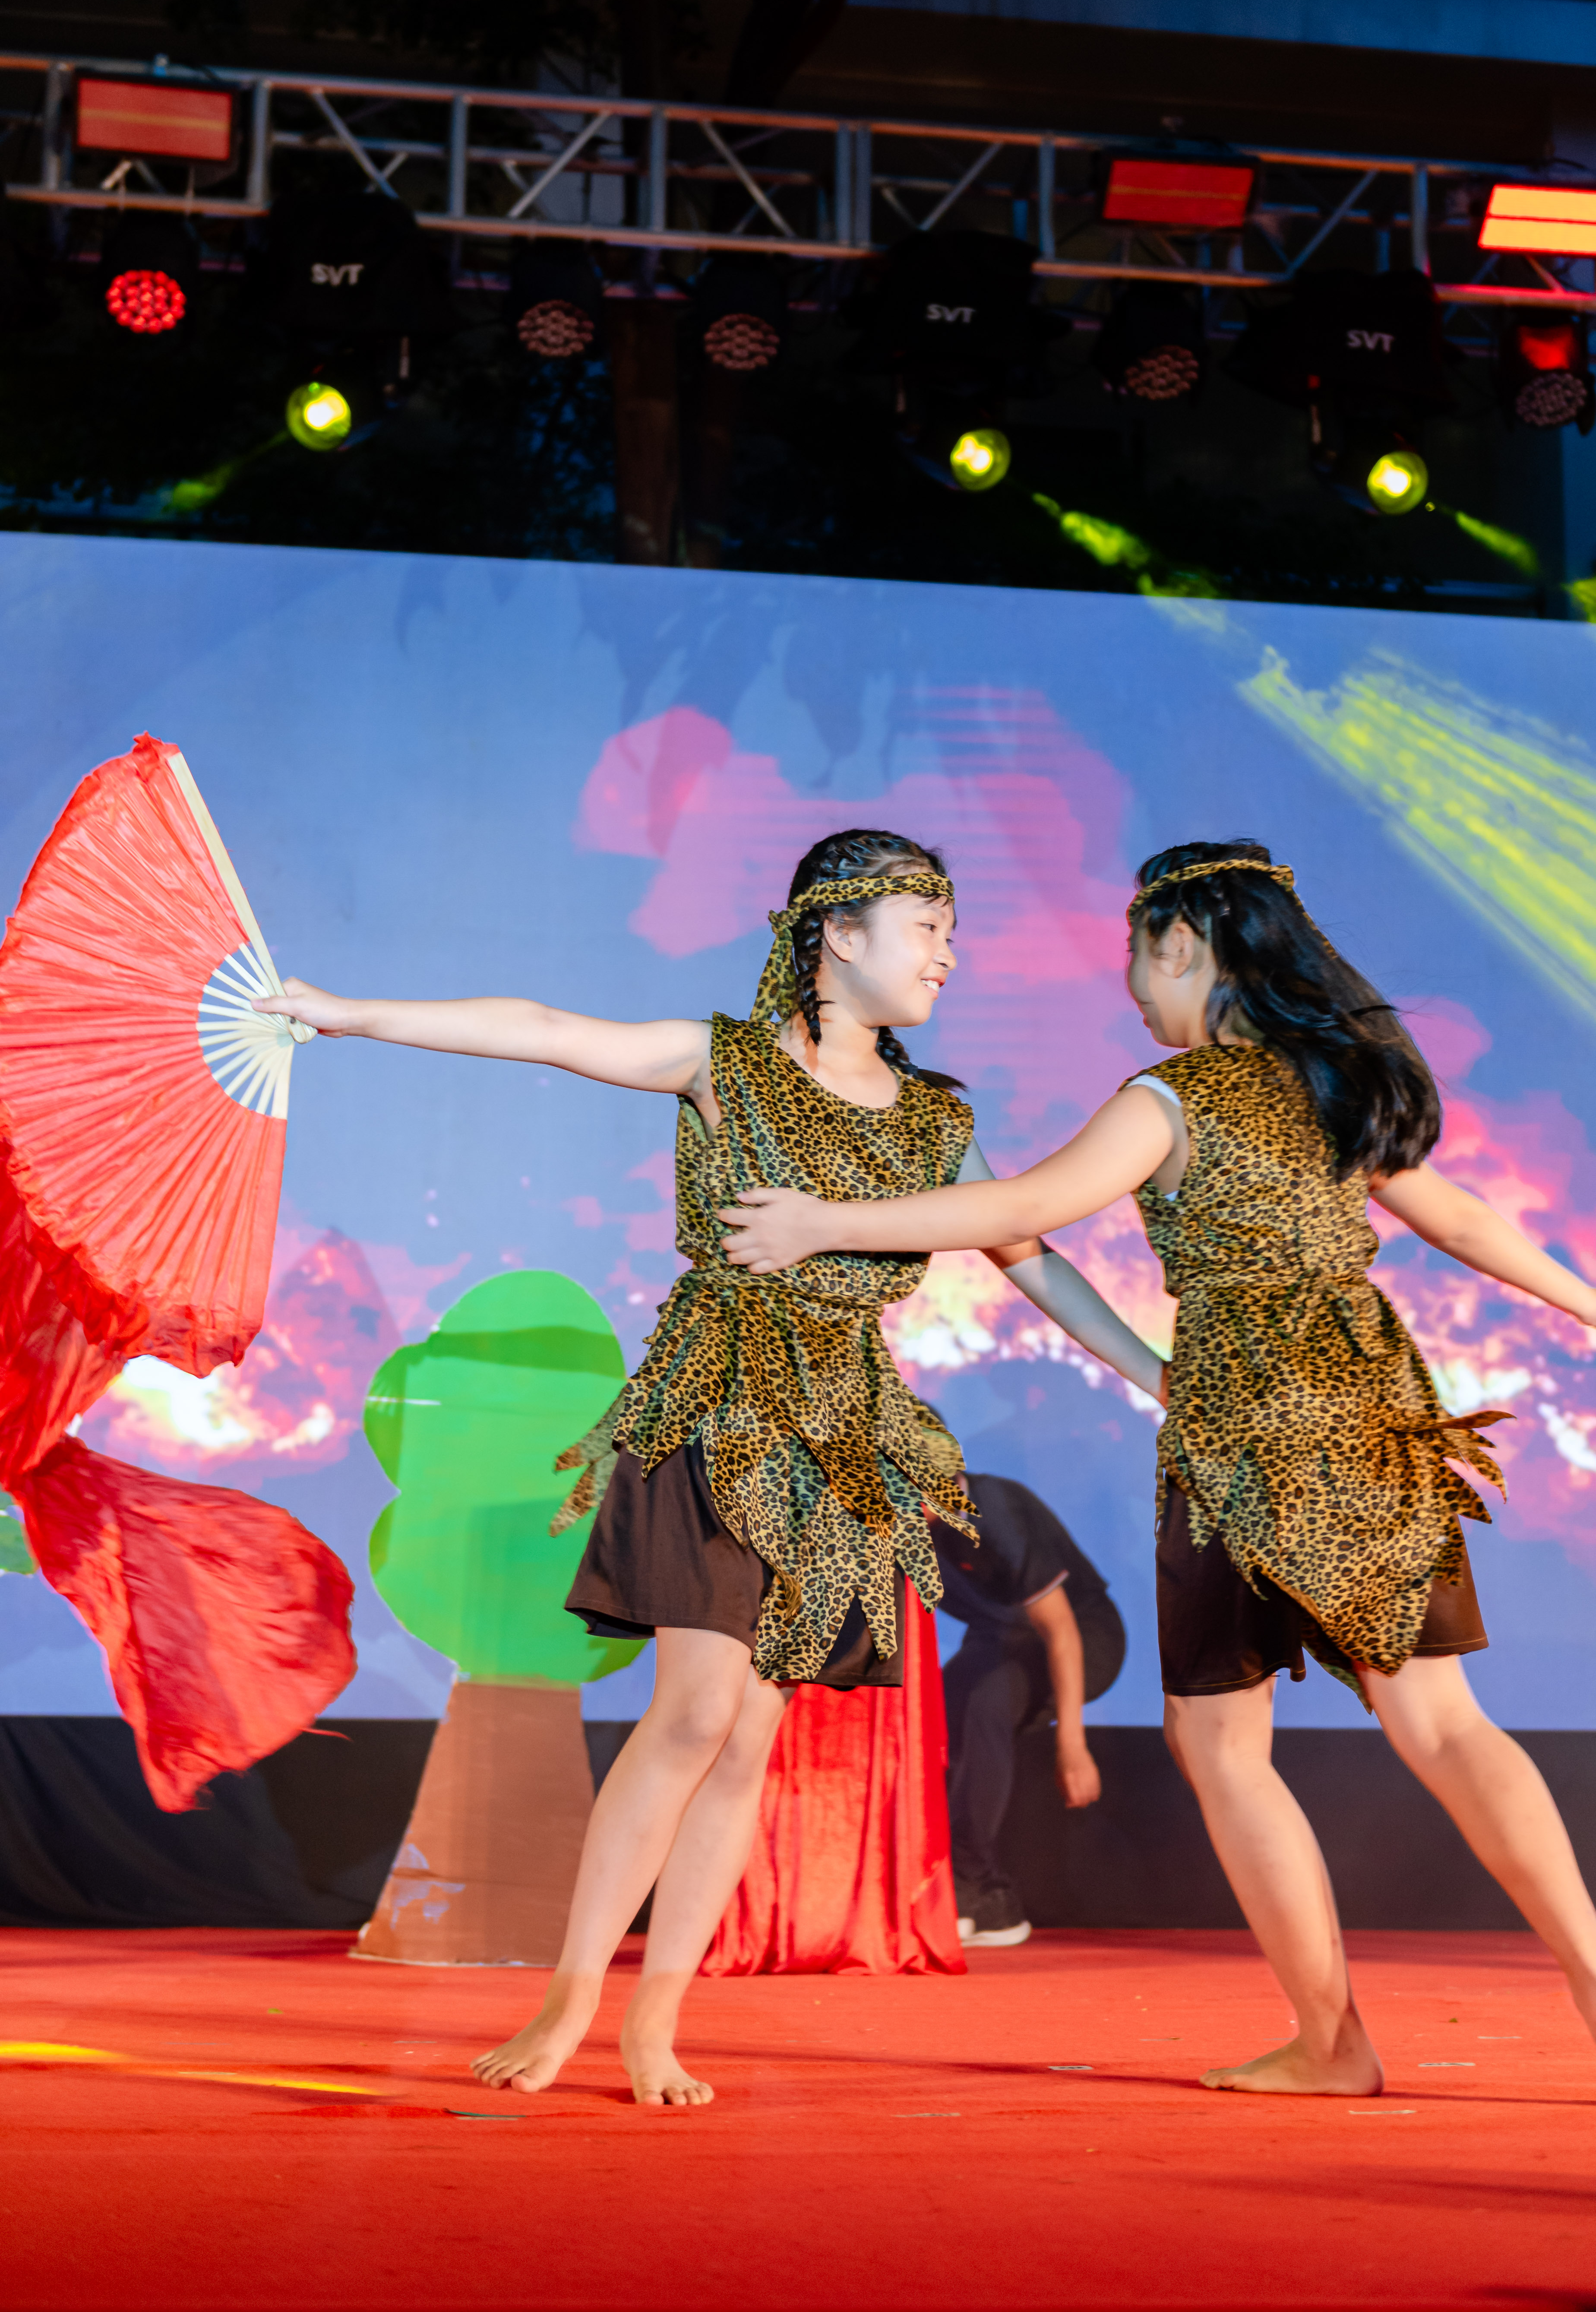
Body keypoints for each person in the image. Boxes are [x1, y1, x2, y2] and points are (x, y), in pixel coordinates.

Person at [719, 838, 1596, 2108]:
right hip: (1371, 1400)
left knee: (1219, 1741)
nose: (1132, 986)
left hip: (1243, 1425)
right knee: (1446, 1723)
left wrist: (823, 1222)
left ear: (1185, 945)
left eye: (1138, 956)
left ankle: (1330, 2039)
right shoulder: (1329, 1083)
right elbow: (1455, 1216)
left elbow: (1020, 1207)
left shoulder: (1170, 1096)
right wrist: (1593, 1301)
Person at [258, 828, 1164, 2106]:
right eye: (927, 929)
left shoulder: (936, 1117)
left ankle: (656, 2021)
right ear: (834, 932)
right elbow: (543, 1029)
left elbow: (1033, 1252)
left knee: (748, 1738)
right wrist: (348, 1012)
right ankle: (573, 1995)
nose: (947, 957)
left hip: (843, 1446)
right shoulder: (722, 1063)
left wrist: (1158, 1371)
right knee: (693, 1712)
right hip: (717, 1405)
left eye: (952, 935)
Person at [934, 1472, 1126, 1946]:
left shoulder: (996, 1514)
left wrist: (1072, 1747)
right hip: (998, 1639)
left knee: (985, 1706)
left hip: (1080, 1635)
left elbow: (1061, 1631)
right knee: (937, 1712)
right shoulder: (894, 1523)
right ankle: (971, 1895)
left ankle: (977, 1893)